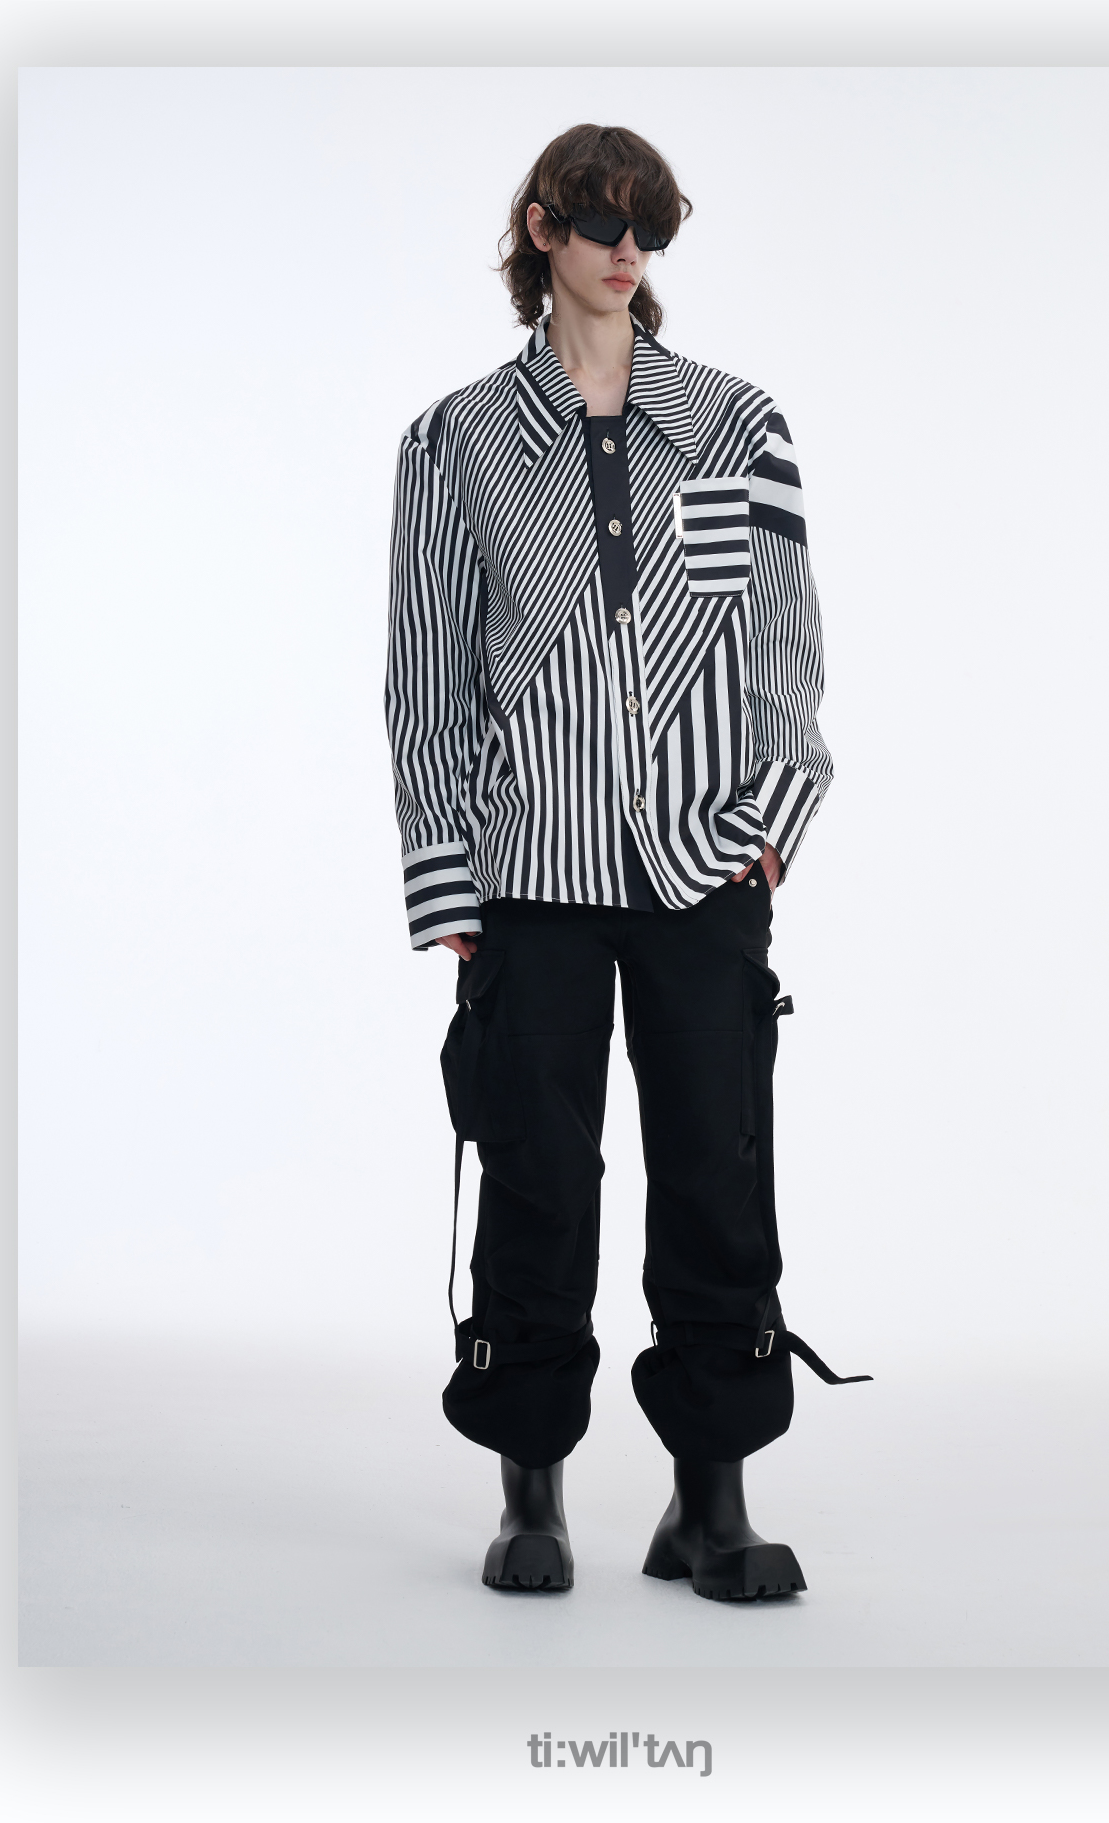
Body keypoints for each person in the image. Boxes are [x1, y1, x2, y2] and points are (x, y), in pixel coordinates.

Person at [385, 123, 865, 1603]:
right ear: (543, 229)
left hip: (698, 872)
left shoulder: (734, 422)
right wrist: (449, 877)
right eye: (602, 222)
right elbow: (428, 676)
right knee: (536, 1175)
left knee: (718, 1170)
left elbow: (783, 641)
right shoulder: (457, 439)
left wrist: (769, 824)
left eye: (647, 227)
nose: (626, 251)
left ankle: (710, 1502)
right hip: (530, 872)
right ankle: (530, 1490)